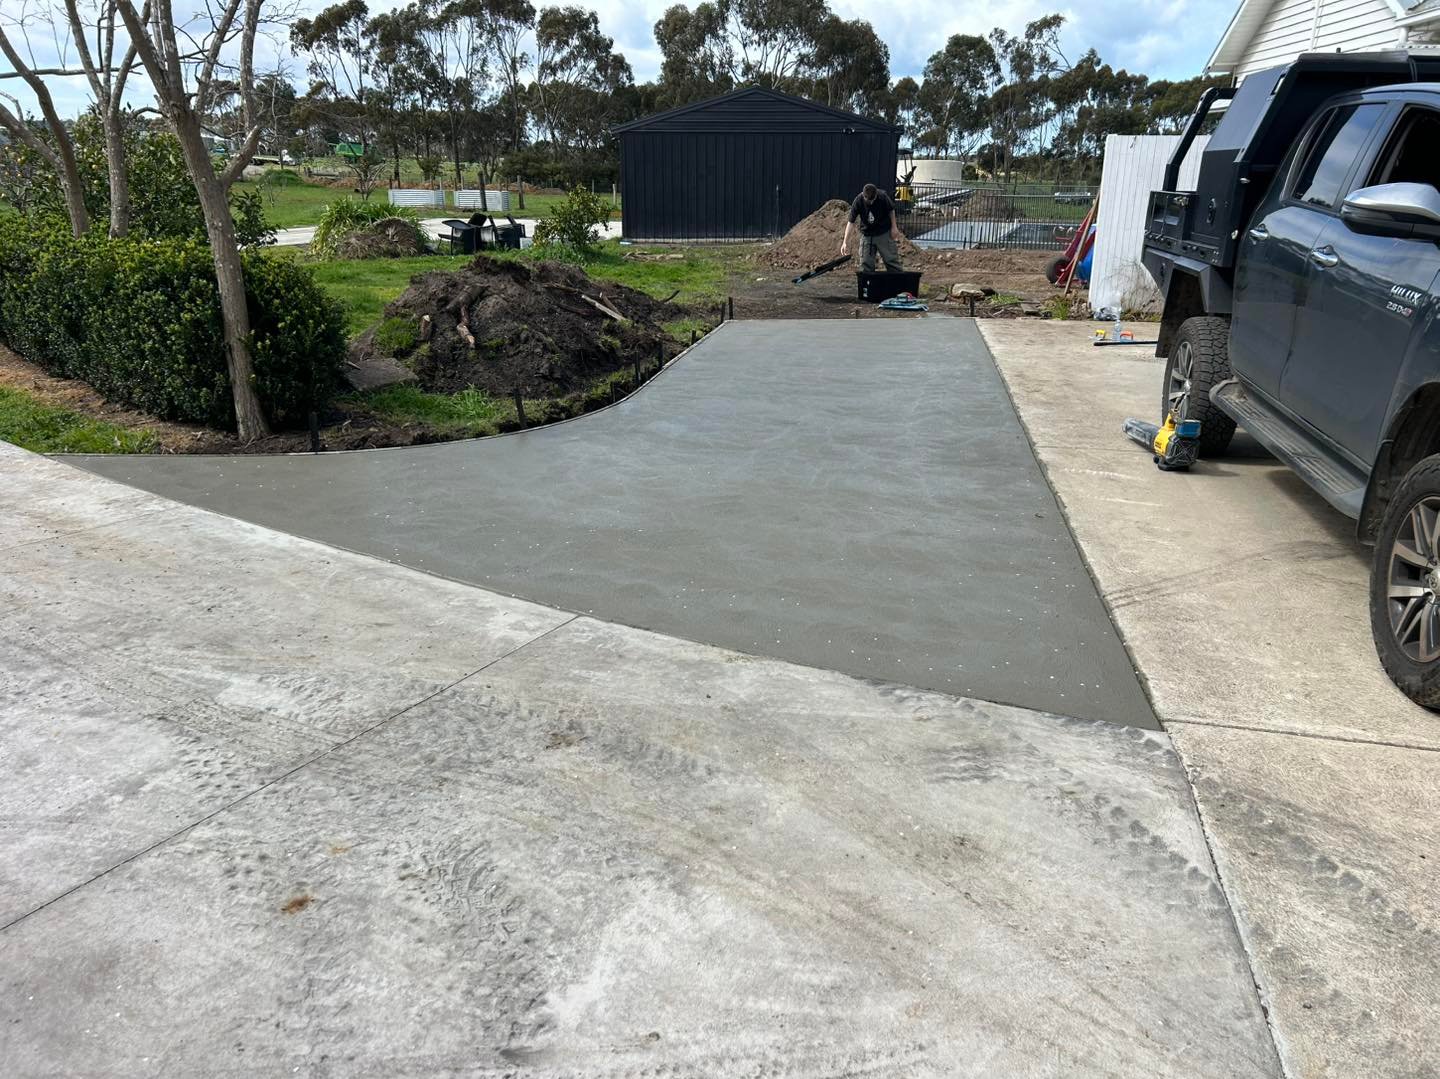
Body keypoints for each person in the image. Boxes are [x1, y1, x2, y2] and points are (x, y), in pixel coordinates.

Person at [840, 183, 904, 272]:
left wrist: (894, 227)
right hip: (867, 235)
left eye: (873, 200)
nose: (871, 202)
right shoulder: (858, 201)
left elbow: (891, 210)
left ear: (876, 195)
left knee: (891, 261)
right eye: (868, 200)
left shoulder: (882, 197)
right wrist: (845, 242)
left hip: (883, 232)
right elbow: (851, 222)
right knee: (865, 263)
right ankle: (867, 284)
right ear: (863, 195)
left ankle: (898, 283)